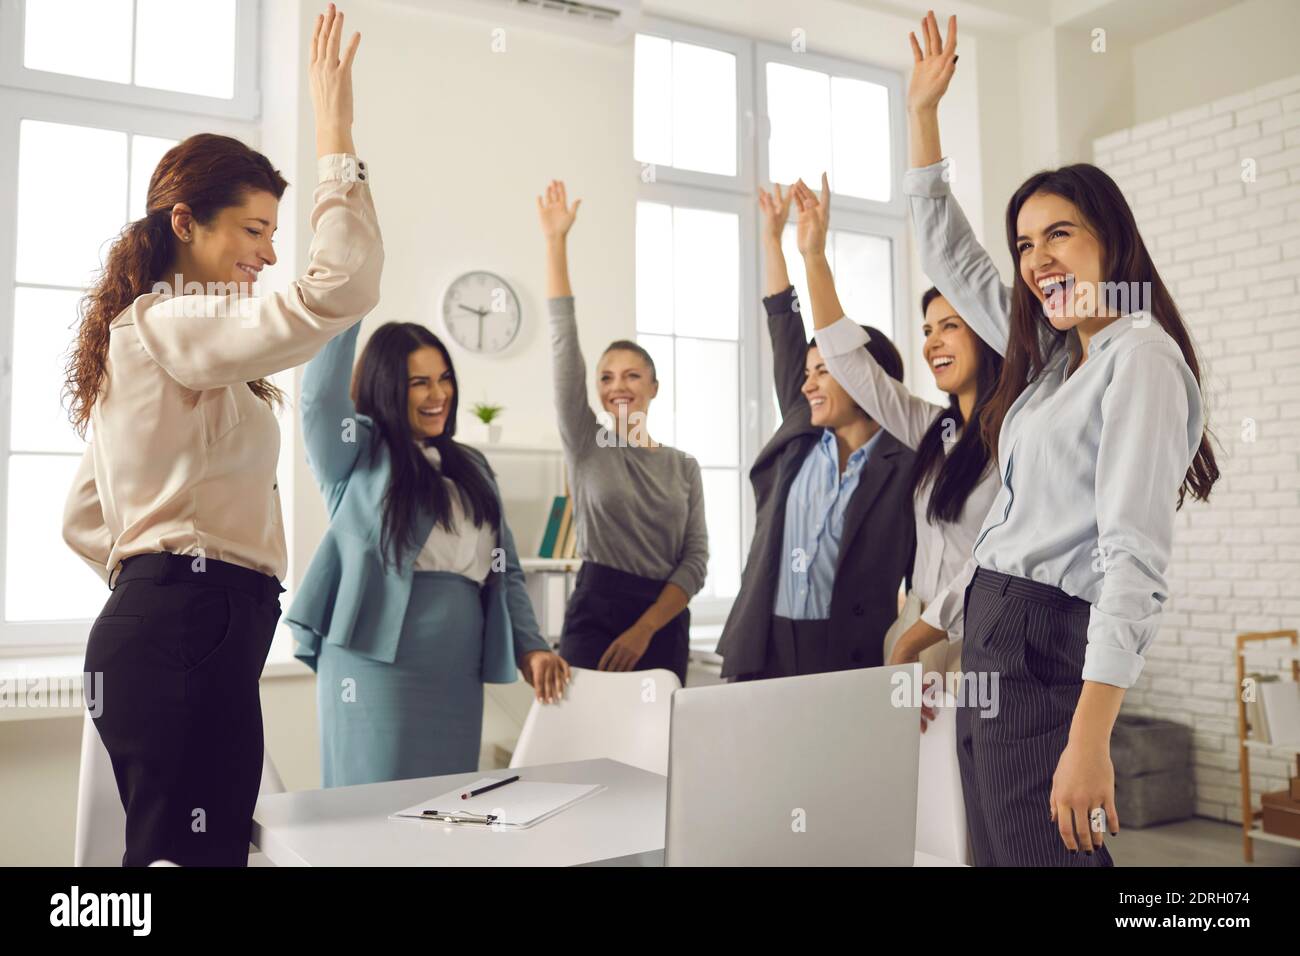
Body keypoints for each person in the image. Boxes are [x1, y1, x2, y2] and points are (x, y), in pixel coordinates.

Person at [61, 4, 383, 865]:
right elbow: (335, 290)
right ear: (184, 224)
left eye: (275, 234)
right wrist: (337, 134)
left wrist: (152, 587)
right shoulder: (169, 323)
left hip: (182, 626)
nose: (268, 254)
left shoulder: (160, 342)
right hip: (190, 623)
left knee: (186, 859)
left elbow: (84, 519)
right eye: (253, 230)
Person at [907, 11, 1218, 865]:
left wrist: (1090, 738)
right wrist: (923, 117)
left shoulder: (1141, 359)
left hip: (1045, 649)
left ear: (1110, 239)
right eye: (1024, 245)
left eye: (1059, 235)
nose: (1036, 257)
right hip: (995, 638)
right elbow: (954, 259)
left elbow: (1133, 562)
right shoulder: (1052, 364)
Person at [285, 319, 571, 786]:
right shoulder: (358, 451)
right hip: (374, 661)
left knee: (443, 806)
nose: (439, 394)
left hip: (457, 663)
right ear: (388, 386)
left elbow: (507, 571)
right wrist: (344, 306)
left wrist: (532, 647)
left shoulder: (472, 464)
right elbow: (318, 400)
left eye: (444, 378)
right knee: (373, 804)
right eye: (420, 382)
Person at [789, 174, 1002, 729]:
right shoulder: (933, 428)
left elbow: (989, 565)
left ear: (989, 333)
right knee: (918, 801)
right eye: (927, 329)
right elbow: (853, 366)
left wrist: (916, 640)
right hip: (916, 631)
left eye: (950, 327)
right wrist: (814, 256)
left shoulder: (1017, 439)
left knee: (963, 803)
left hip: (973, 640)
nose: (932, 342)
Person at [716, 183, 917, 681]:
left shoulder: (911, 460)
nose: (808, 382)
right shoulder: (802, 429)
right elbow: (783, 323)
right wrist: (772, 238)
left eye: (824, 370)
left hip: (852, 651)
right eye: (807, 372)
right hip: (765, 641)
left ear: (864, 380)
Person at [537, 180, 708, 687]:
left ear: (654, 387)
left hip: (663, 618)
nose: (618, 387)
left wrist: (646, 628)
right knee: (585, 746)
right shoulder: (588, 444)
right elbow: (564, 347)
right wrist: (556, 244)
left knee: (654, 753)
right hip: (595, 608)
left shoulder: (683, 466)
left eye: (632, 375)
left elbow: (695, 561)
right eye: (606, 377)